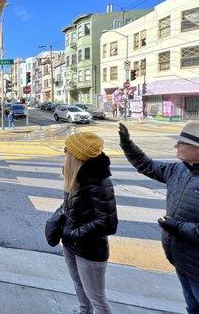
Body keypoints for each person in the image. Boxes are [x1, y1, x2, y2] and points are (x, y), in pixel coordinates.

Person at [119, 122, 199, 313]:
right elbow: (146, 165)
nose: (176, 146)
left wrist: (178, 227)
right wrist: (127, 144)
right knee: (192, 308)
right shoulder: (178, 170)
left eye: (181, 143)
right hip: (181, 261)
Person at [61, 132, 118, 314]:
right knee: (79, 286)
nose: (64, 153)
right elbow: (70, 206)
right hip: (71, 244)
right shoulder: (75, 177)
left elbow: (108, 223)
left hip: (89, 250)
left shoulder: (98, 181)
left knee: (97, 299)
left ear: (76, 156)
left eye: (66, 150)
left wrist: (73, 233)